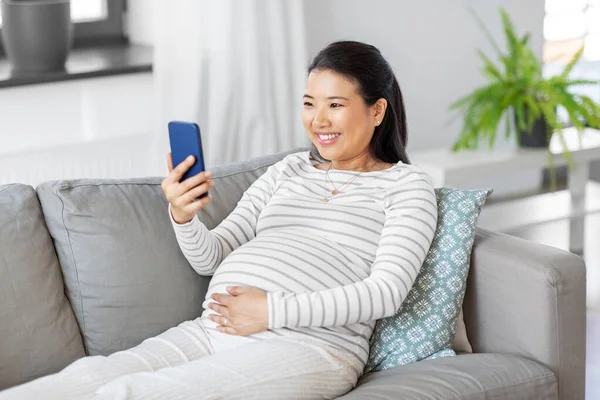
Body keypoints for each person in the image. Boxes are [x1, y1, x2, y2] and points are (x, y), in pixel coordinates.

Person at [0, 40, 437, 399]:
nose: (317, 120)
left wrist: (271, 311)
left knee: (134, 393)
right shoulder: (288, 170)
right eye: (309, 103)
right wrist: (183, 215)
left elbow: (385, 293)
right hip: (211, 330)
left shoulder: (406, 187)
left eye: (335, 104)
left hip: (309, 346)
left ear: (376, 111)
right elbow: (212, 257)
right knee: (76, 383)